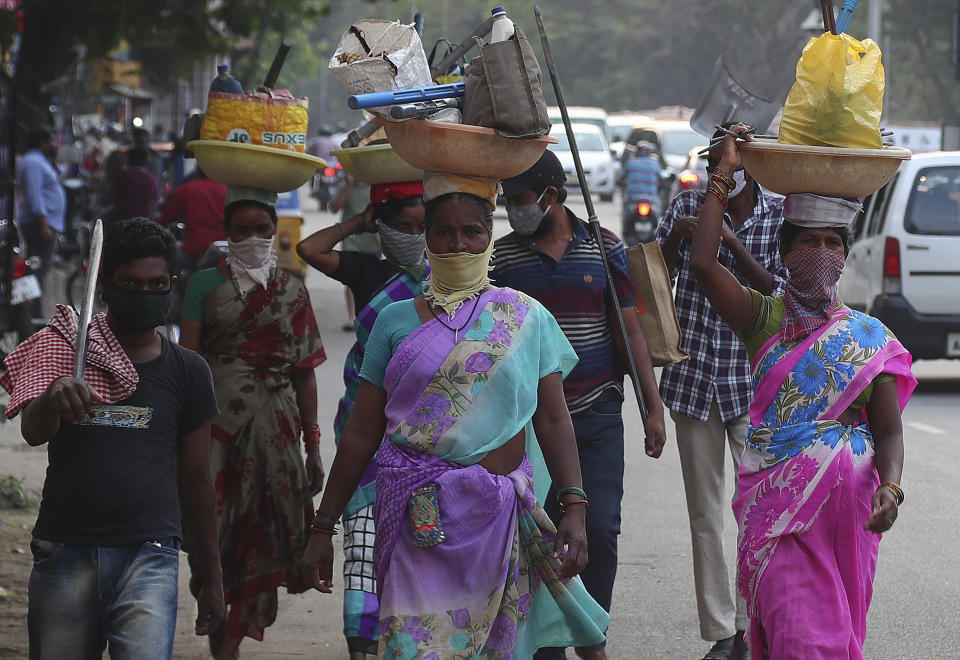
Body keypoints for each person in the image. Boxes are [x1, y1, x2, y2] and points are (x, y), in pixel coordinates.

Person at [302, 172, 610, 659]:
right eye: (444, 231)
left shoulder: (524, 318)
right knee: (413, 649)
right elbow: (362, 433)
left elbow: (552, 420)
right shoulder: (394, 321)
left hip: (499, 519)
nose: (458, 243)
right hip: (414, 520)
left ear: (490, 237)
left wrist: (574, 505)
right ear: (427, 237)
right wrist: (324, 526)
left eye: (472, 231)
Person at [688, 126, 917, 660]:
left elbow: (888, 428)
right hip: (778, 517)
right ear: (785, 253)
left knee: (837, 635)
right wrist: (723, 174)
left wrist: (893, 487)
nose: (821, 252)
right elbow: (701, 264)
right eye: (808, 241)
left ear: (844, 254)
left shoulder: (868, 339)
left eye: (832, 242)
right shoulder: (762, 318)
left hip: (849, 520)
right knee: (798, 635)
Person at [0, 217, 224, 659]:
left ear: (171, 285)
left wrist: (210, 578)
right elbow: (33, 432)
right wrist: (54, 393)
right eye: (131, 283)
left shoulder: (189, 371)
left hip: (151, 555)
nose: (146, 293)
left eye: (157, 283)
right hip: (64, 550)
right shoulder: (67, 351)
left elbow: (197, 480)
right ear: (105, 285)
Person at [491, 150, 666, 660]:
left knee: (601, 530)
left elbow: (630, 330)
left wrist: (650, 407)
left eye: (521, 199)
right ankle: (550, 641)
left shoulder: (605, 251)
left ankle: (591, 630)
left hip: (597, 413)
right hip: (533, 422)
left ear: (552, 195)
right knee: (543, 532)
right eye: (509, 201)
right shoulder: (503, 259)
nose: (515, 209)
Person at [655, 124, 789, 659]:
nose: (723, 172)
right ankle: (722, 632)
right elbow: (653, 277)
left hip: (752, 381)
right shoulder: (688, 200)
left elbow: (779, 292)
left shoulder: (778, 214)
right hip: (693, 379)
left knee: (757, 510)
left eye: (729, 163)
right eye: (716, 161)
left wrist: (726, 240)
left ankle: (755, 624)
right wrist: (676, 238)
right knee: (705, 514)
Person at [179, 186, 327, 659]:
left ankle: (232, 641)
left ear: (274, 231)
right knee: (214, 531)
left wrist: (313, 445)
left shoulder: (292, 288)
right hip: (217, 425)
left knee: (263, 531)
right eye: (241, 230)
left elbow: (305, 373)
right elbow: (186, 361)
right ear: (226, 235)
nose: (253, 238)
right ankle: (217, 612)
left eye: (262, 230)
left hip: (278, 430)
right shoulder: (204, 284)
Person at [296, 179, 428, 658]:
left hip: (425, 433)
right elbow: (308, 248)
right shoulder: (367, 271)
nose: (412, 235)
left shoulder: (444, 281)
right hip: (365, 424)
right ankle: (362, 645)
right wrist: (360, 222)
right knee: (364, 547)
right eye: (401, 226)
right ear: (384, 227)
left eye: (421, 226)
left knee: (421, 549)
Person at [17, 126, 65, 317]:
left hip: (47, 223)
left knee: (40, 272)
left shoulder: (41, 161)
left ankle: (33, 314)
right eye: (51, 140)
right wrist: (43, 224)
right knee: (36, 272)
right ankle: (33, 316)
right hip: (40, 225)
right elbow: (34, 195)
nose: (54, 144)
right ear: (42, 142)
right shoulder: (32, 162)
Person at [330, 174, 378, 330]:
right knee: (352, 279)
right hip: (352, 242)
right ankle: (352, 317)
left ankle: (368, 316)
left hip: (374, 243)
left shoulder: (375, 185)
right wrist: (348, 185)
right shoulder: (345, 185)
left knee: (373, 282)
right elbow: (334, 207)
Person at [158, 167, 228, 269]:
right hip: (223, 253)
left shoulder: (188, 188)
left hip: (193, 252)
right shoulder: (227, 191)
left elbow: (167, 217)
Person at [108, 147, 159, 224]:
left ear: (129, 160)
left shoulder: (123, 177)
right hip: (144, 224)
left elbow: (112, 196)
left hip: (122, 223)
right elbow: (154, 202)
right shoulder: (151, 180)